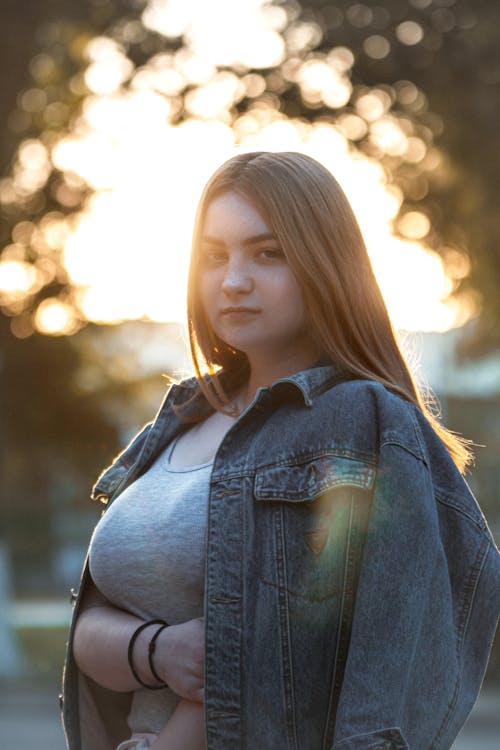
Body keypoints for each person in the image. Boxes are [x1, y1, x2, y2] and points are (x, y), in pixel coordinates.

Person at [61, 151, 500, 750]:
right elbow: (88, 631)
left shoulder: (363, 422)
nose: (233, 280)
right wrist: (163, 652)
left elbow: (352, 655)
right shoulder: (176, 421)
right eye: (215, 256)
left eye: (268, 254)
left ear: (325, 264)